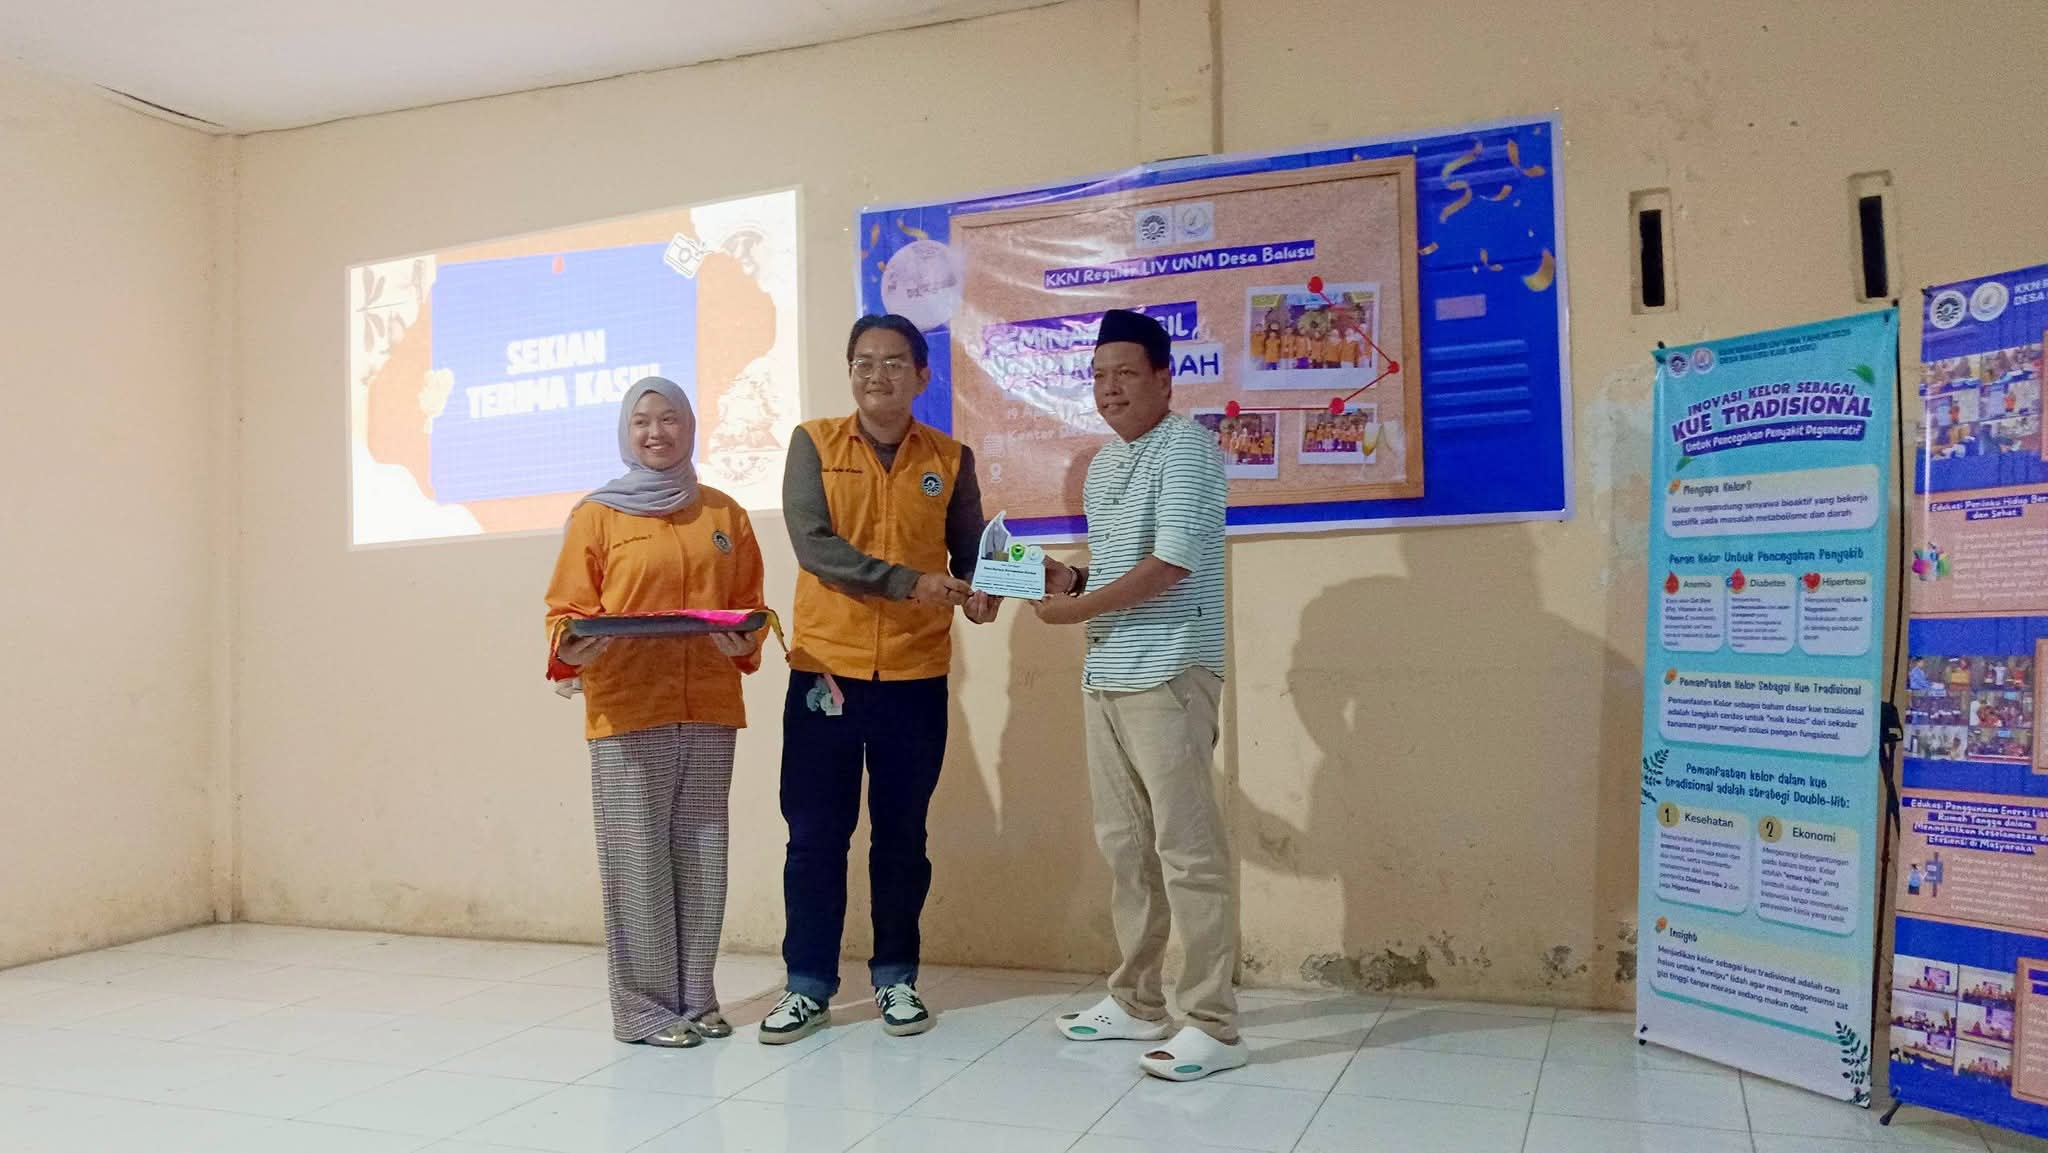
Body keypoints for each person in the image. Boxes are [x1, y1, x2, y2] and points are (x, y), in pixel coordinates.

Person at [760, 314, 998, 1045]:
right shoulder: (813, 443)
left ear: (922, 375)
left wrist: (988, 590)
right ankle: (807, 985)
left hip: (915, 675)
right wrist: (908, 582)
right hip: (824, 673)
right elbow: (815, 547)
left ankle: (896, 976)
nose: (877, 375)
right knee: (814, 836)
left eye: (894, 362)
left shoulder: (950, 458)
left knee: (901, 836)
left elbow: (971, 553)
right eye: (863, 362)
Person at [1032, 308, 1243, 1082]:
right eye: (1097, 376)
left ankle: (1213, 1022)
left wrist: (1075, 609)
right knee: (1127, 847)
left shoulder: (1188, 447)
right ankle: (1137, 1000)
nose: (1109, 388)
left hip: (1171, 672)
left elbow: (1172, 563)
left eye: (1125, 374)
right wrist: (1072, 578)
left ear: (1163, 378)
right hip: (1108, 672)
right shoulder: (1105, 464)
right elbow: (1127, 568)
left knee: (1188, 851)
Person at [544, 377, 768, 1049]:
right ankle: (643, 1011)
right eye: (642, 420)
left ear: (690, 428)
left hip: (708, 706)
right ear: (626, 431)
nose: (656, 432)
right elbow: (564, 614)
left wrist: (747, 637)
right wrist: (574, 642)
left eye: (670, 418)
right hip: (627, 708)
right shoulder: (597, 516)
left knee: (703, 855)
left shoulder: (725, 514)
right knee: (637, 859)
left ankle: (696, 998)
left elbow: (751, 605)